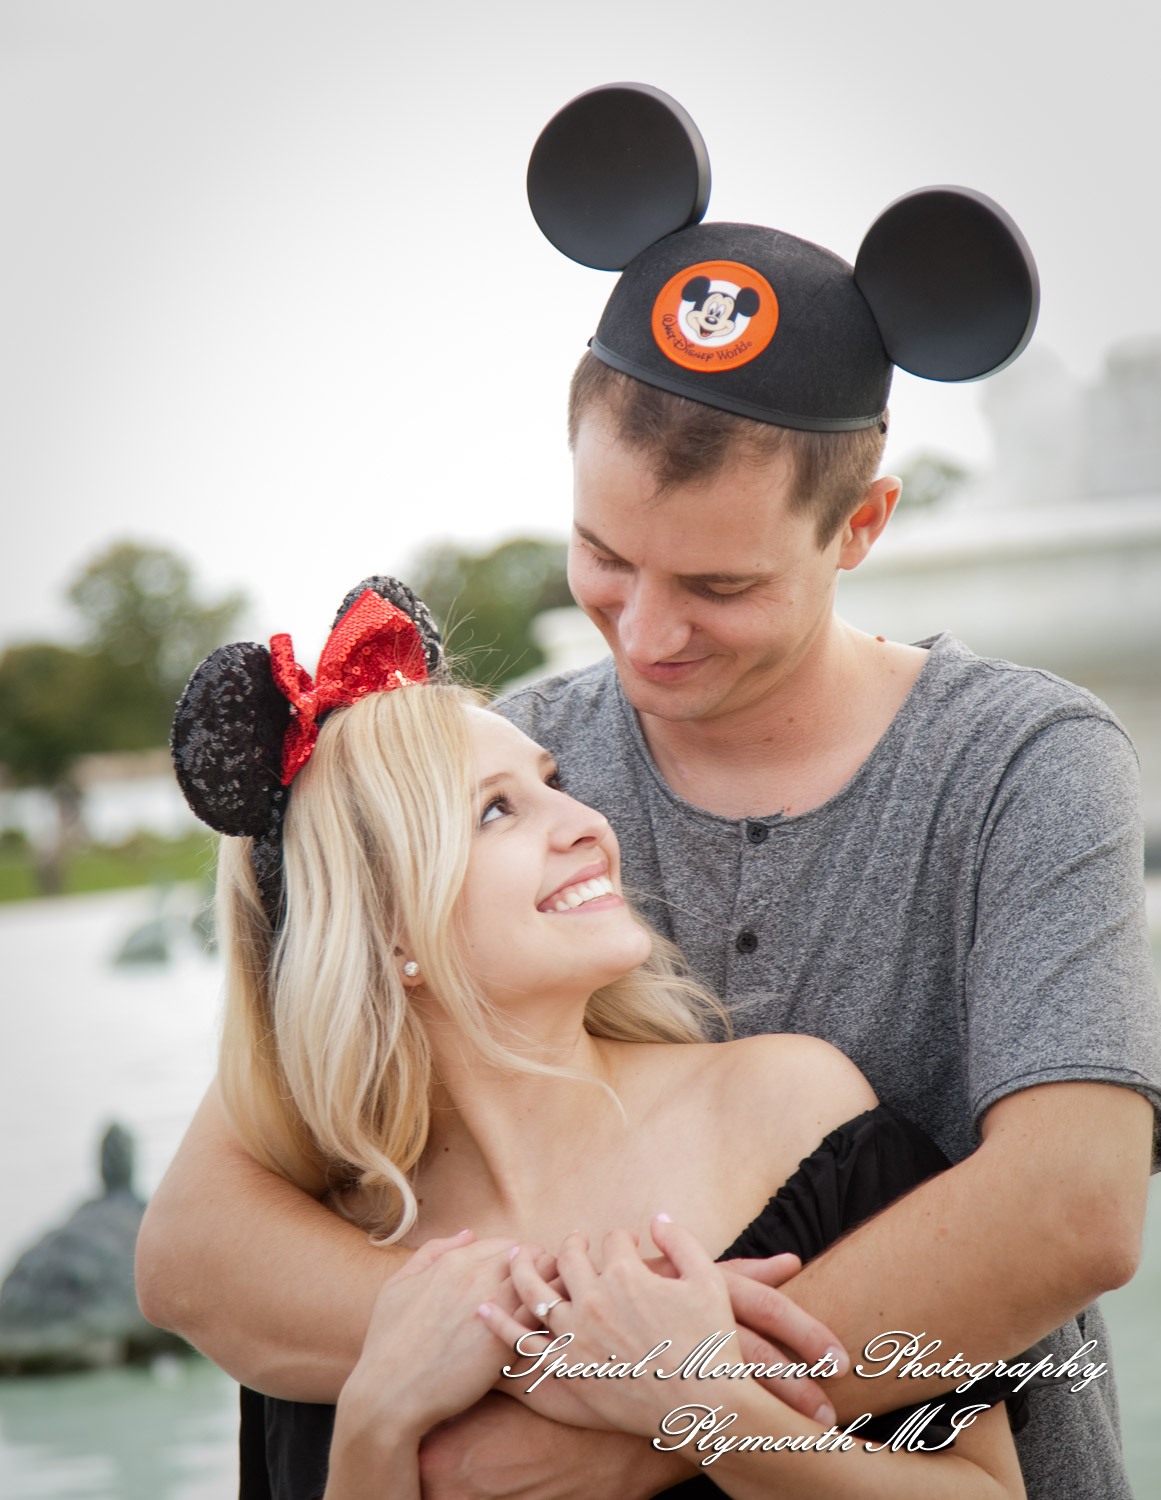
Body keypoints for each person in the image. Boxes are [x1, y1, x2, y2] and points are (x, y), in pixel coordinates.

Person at [137, 86, 1161, 1498]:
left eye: (721, 585)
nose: (645, 632)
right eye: (605, 554)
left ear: (859, 525)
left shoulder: (1025, 765)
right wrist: (498, 1382)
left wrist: (637, 1437)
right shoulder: (518, 752)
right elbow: (200, 1239)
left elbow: (1074, 1207)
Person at [164, 578, 1034, 1500]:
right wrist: (375, 1427)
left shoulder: (787, 1108)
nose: (583, 825)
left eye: (551, 783)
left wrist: (704, 1412)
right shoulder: (317, 1262)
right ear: (389, 931)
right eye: (496, 811)